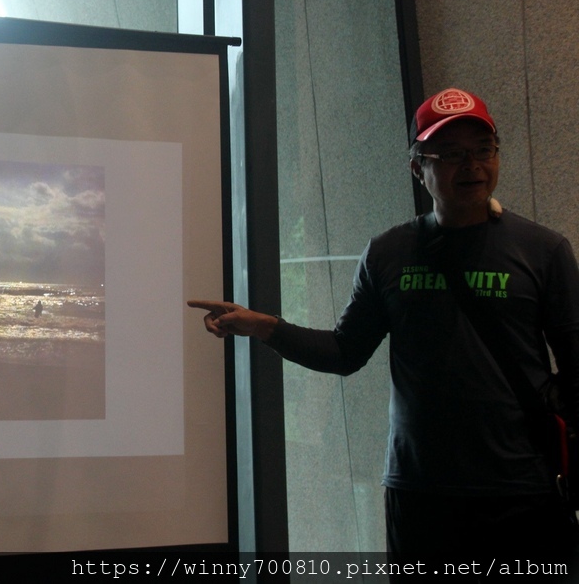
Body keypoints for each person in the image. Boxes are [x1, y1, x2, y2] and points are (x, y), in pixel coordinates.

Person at [190, 88, 579, 559]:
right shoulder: (389, 252)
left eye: (483, 150)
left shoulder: (544, 250)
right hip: (420, 492)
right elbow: (344, 352)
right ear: (418, 167)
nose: (472, 165)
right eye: (451, 153)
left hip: (522, 490)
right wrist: (264, 327)